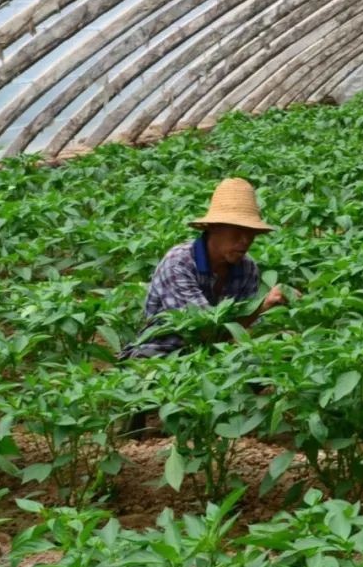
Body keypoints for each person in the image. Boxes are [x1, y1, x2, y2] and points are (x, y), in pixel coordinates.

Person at [117, 178, 294, 435]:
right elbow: (202, 328)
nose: (245, 240)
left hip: (214, 354)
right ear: (213, 228)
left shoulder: (247, 268)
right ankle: (137, 426)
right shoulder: (179, 262)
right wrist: (262, 306)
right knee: (145, 372)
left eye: (250, 233)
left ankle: (225, 416)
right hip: (166, 353)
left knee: (279, 348)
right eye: (237, 231)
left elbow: (242, 333)